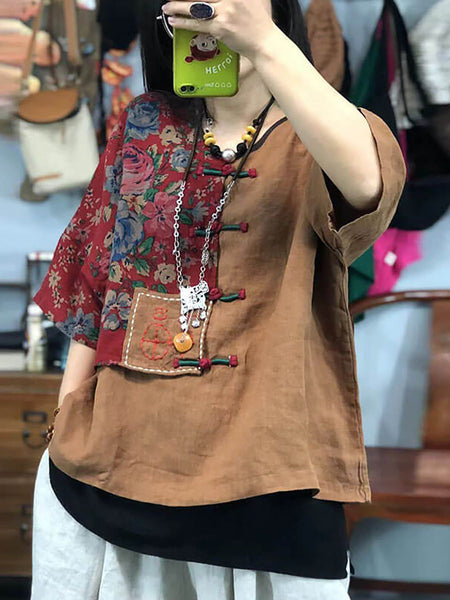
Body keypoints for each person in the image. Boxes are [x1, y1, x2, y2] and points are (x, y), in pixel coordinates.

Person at [30, 0, 406, 598]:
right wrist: (66, 421)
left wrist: (264, 41)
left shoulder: (321, 131)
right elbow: (96, 280)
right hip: (109, 469)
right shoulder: (145, 122)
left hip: (270, 478)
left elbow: (368, 184)